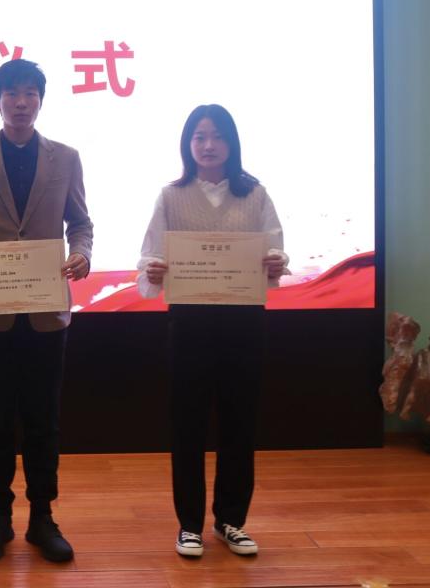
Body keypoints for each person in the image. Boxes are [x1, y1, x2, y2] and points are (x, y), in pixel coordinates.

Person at [0, 59, 93, 563]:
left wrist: (82, 254)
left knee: (44, 420)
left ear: (41, 101)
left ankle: (43, 517)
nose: (21, 102)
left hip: (46, 311)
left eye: (30, 93)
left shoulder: (66, 157)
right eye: (12, 93)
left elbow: (81, 223)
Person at [137, 103, 288, 559]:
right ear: (188, 144)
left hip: (244, 322)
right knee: (188, 424)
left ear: (231, 143)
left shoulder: (255, 194)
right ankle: (189, 525)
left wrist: (276, 263)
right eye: (199, 136)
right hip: (190, 323)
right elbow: (148, 258)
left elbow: (276, 251)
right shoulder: (171, 196)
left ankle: (231, 521)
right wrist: (155, 271)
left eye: (217, 136)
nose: (208, 145)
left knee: (240, 422)